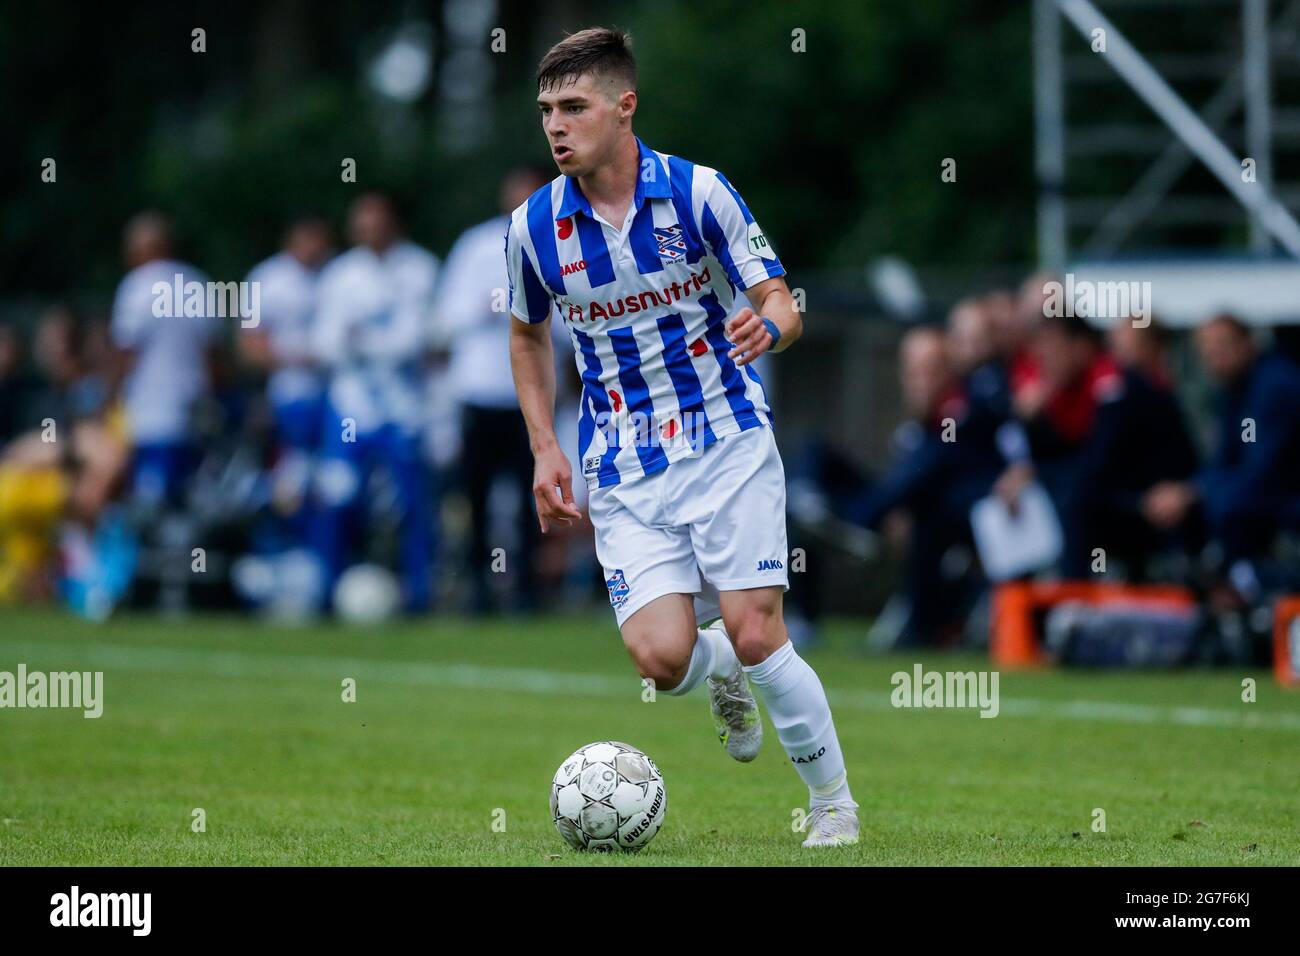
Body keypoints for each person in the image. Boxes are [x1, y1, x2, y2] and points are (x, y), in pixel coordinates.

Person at [505, 28, 857, 847]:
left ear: (624, 108)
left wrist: (766, 332)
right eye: (546, 110)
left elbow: (783, 302)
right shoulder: (532, 228)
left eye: (574, 107)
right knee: (660, 661)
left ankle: (832, 803)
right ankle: (719, 670)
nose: (556, 126)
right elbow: (525, 335)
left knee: (756, 625)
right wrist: (544, 447)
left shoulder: (701, 193)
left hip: (724, 437)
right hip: (622, 461)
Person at [431, 167, 553, 613]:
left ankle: (527, 589)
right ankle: (479, 586)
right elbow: (446, 317)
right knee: (476, 495)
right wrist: (492, 305)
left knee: (533, 492)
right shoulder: (477, 244)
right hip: (480, 389)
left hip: (529, 393)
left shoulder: (557, 239)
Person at [312, 192, 439, 613]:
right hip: (351, 409)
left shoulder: (420, 269)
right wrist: (375, 345)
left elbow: (418, 340)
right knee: (339, 496)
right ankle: (327, 589)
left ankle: (418, 593)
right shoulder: (340, 274)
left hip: (405, 410)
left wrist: (362, 342)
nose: (369, 230)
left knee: (413, 503)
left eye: (377, 221)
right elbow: (326, 344)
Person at [1143, 314, 1300, 584]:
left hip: (1285, 506)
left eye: (1222, 346)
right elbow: (1224, 460)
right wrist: (1188, 491)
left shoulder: (1272, 387)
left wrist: (1194, 493)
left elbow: (1261, 472)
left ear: (1248, 342)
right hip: (1263, 498)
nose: (1214, 358)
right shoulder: (1236, 390)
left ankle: (1240, 588)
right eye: (1208, 351)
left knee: (1222, 507)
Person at [109, 211, 219, 508]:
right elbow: (213, 354)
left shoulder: (136, 287)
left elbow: (126, 353)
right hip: (195, 412)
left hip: (151, 414)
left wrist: (109, 396)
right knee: (191, 498)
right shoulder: (198, 282)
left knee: (152, 503)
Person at [241, 216, 334, 533]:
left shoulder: (337, 274)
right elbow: (248, 344)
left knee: (331, 481)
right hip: (289, 397)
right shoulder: (265, 278)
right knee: (290, 477)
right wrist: (295, 358)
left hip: (336, 398)